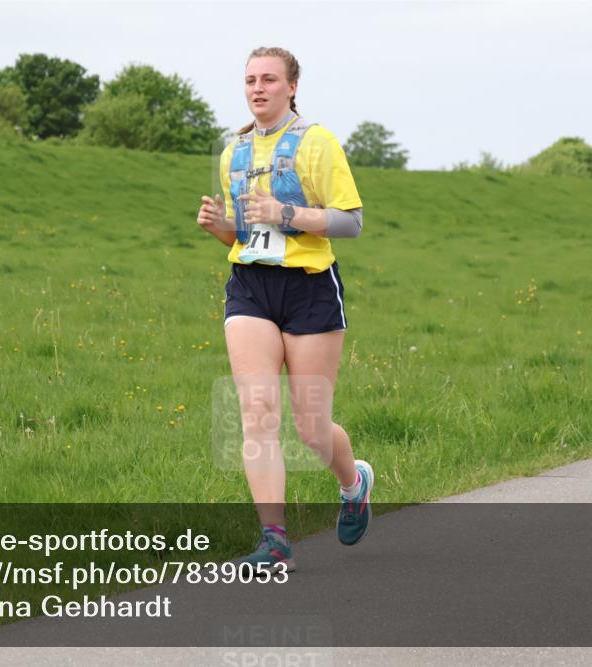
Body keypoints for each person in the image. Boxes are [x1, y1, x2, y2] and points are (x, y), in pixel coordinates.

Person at [196, 47, 373, 572]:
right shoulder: (233, 152)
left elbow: (351, 221)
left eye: (269, 79)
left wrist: (287, 212)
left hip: (309, 288)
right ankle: (273, 540)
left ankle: (353, 483)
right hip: (250, 285)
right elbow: (246, 236)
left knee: (312, 429)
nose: (258, 88)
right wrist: (221, 229)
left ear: (292, 86)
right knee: (256, 412)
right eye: (251, 79)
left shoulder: (317, 143)